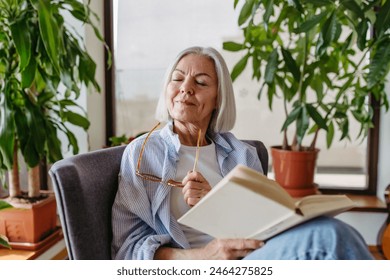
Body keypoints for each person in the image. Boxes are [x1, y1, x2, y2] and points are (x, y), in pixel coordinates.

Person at [111, 46, 374, 260]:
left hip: (250, 258)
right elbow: (128, 251)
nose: (186, 88)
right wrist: (207, 255)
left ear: (218, 99)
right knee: (329, 239)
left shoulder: (241, 154)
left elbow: (262, 227)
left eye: (201, 82)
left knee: (336, 230)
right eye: (177, 78)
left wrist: (218, 203)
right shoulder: (142, 154)